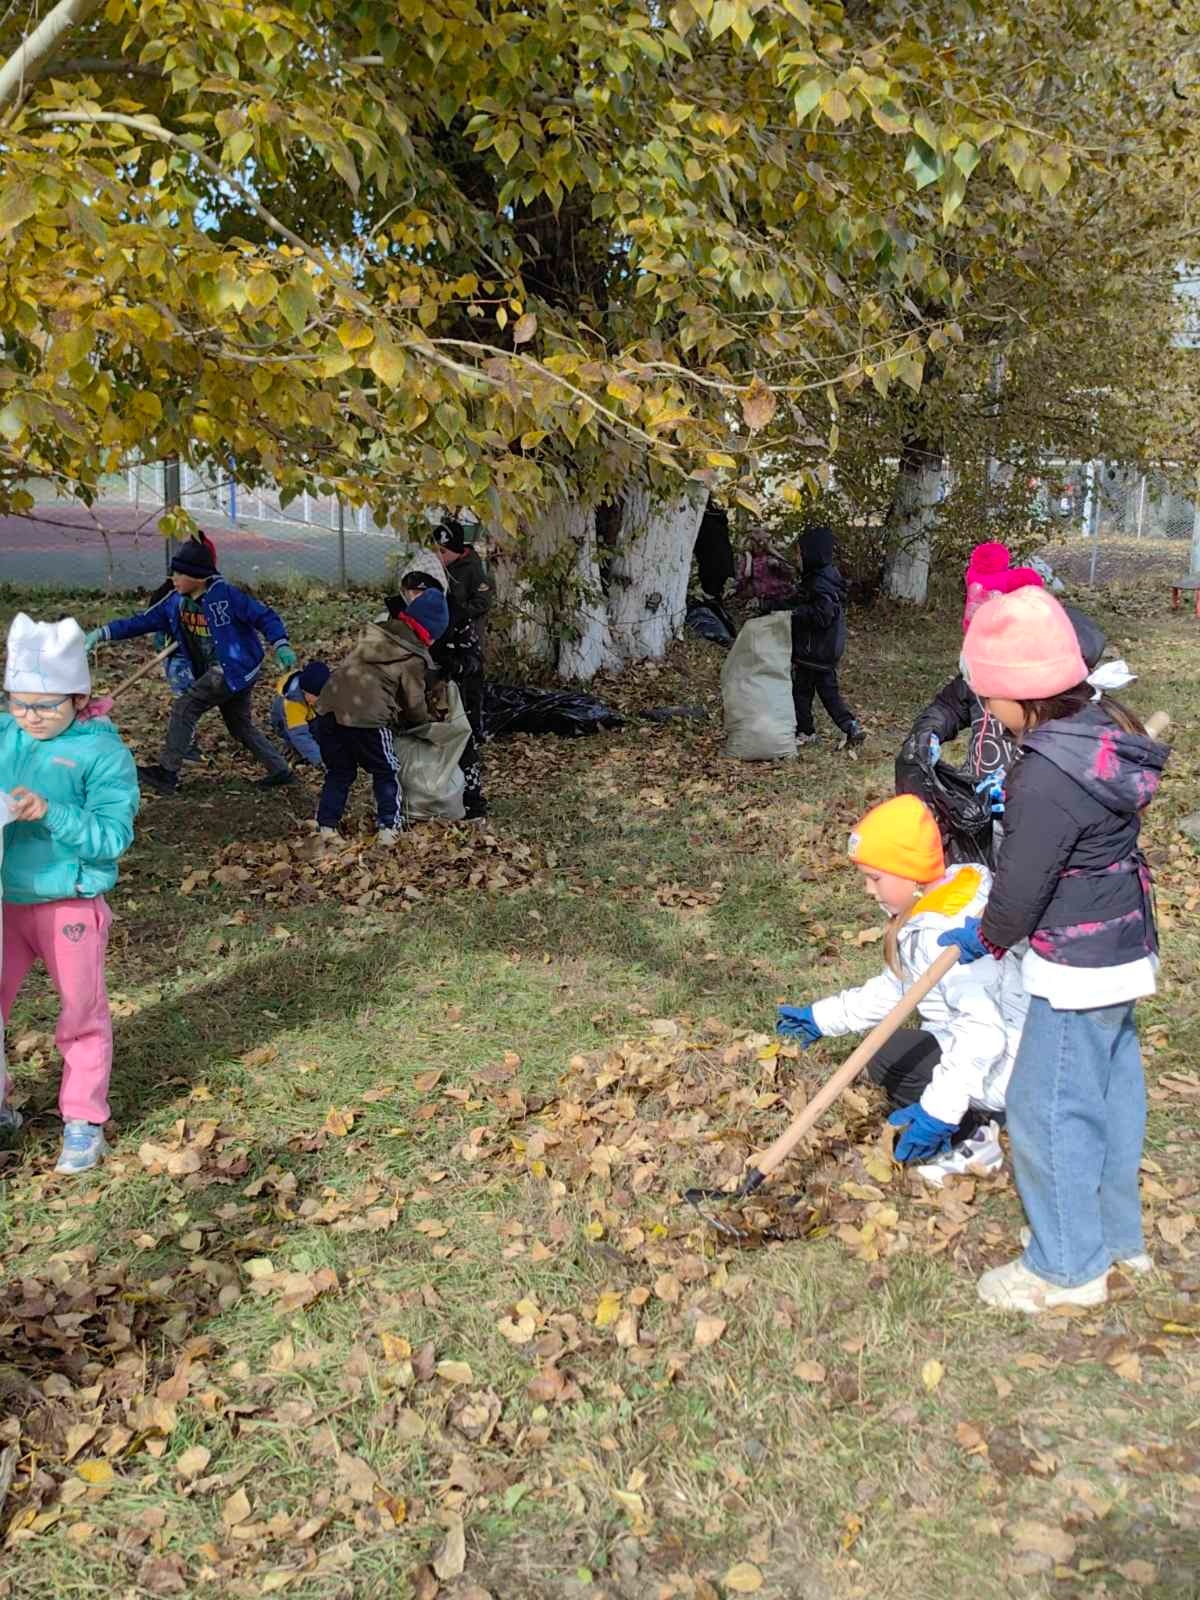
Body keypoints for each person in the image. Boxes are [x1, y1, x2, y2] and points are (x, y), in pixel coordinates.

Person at [939, 587, 1169, 1312]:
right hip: (1123, 944)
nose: (983, 709)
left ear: (1017, 694)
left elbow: (1020, 887)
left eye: (987, 695)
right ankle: (1116, 1240)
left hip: (1076, 964)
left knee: (1046, 1112)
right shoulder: (1098, 730)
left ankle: (1067, 1268)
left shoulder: (1045, 773)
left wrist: (985, 937)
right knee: (1109, 1098)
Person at [777, 795, 1027, 1186]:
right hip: (1003, 1050)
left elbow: (983, 1033)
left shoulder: (944, 935)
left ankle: (973, 1140)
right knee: (887, 1045)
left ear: (911, 874)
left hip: (1011, 1063)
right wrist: (821, 1018)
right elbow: (897, 991)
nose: (866, 889)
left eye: (875, 878)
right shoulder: (947, 895)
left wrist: (939, 1110)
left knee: (890, 1056)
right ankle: (982, 1113)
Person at [0, 614, 139, 1174]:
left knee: (80, 1011)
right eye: (17, 703)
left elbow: (111, 837)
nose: (30, 718)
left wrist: (50, 812)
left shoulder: (101, 754)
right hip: (6, 898)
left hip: (68, 901)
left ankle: (83, 1119)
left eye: (45, 706)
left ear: (78, 698)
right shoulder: (7, 734)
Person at [85, 542, 297, 795]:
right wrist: (103, 633)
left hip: (233, 669)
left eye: (178, 574)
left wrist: (281, 643)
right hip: (227, 672)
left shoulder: (226, 597)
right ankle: (280, 770)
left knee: (185, 707)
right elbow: (142, 621)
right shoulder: (175, 602)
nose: (172, 578)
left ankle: (167, 772)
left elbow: (265, 616)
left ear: (198, 576)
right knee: (239, 725)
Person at [313, 577, 449, 843]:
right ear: (430, 633)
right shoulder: (412, 657)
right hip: (367, 720)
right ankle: (389, 827)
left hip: (328, 709)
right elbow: (414, 703)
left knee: (340, 772)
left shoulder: (374, 636)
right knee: (386, 771)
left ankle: (326, 826)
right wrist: (425, 724)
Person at [434, 519, 492, 820]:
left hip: (467, 644)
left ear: (456, 550)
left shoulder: (471, 569)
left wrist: (458, 615)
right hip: (446, 645)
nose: (439, 555)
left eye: (444, 550)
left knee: (470, 699)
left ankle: (475, 730)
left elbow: (482, 601)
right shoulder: (439, 568)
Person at [788, 524, 865, 750]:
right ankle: (850, 725)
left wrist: (794, 614)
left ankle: (806, 732)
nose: (799, 559)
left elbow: (823, 615)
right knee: (828, 693)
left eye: (801, 553)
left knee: (801, 692)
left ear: (812, 553)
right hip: (825, 650)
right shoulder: (826, 575)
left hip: (813, 650)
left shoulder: (819, 581)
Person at [270, 661, 330, 766]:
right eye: (316, 697)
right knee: (304, 740)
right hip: (289, 727)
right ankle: (295, 750)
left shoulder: (319, 691)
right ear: (304, 691)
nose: (319, 700)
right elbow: (300, 735)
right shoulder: (292, 704)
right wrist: (322, 760)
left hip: (311, 716)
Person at [693, 496, 736, 603]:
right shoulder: (717, 517)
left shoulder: (706, 519)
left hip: (711, 560)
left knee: (712, 583)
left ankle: (713, 601)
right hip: (717, 560)